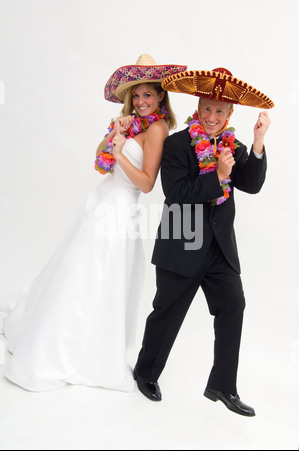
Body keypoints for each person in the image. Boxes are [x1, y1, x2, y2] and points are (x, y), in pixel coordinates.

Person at [0, 54, 187, 392]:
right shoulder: (132, 124)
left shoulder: (157, 129)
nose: (142, 101)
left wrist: (119, 154)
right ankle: (52, 334)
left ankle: (83, 351)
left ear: (161, 96)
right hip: (101, 202)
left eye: (148, 94)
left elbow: (146, 184)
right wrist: (113, 137)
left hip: (119, 212)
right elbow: (100, 164)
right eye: (137, 95)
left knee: (99, 276)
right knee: (77, 272)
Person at [134, 67, 274, 417]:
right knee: (167, 312)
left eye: (220, 111)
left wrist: (257, 143)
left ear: (230, 115)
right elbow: (176, 194)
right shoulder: (177, 144)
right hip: (182, 239)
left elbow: (252, 184)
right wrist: (219, 176)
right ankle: (145, 373)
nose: (213, 117)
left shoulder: (233, 144)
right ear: (198, 109)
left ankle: (223, 386)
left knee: (233, 306)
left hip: (219, 249)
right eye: (207, 109)